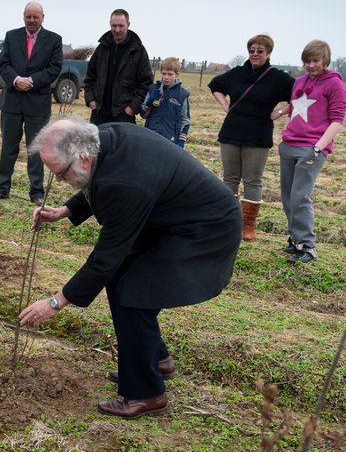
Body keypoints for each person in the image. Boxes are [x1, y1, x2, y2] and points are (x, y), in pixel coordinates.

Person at [18, 116, 241, 418]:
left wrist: (56, 302)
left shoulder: (125, 183)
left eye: (60, 173)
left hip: (203, 229)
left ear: (83, 155)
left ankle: (147, 394)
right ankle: (156, 360)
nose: (57, 180)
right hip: (170, 216)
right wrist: (67, 210)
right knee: (125, 284)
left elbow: (105, 258)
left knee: (134, 295)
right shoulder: (103, 138)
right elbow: (97, 177)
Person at [208, 34, 294, 241]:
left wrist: (280, 113)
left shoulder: (278, 78)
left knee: (252, 181)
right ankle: (227, 223)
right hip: (231, 132)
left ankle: (248, 226)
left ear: (269, 53)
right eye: (252, 50)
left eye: (260, 51)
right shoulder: (237, 73)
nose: (255, 54)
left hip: (258, 135)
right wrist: (225, 105)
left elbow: (300, 96)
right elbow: (215, 85)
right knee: (229, 179)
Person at [0, 2, 63, 207]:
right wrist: (16, 79)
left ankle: (36, 192)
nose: (32, 21)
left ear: (43, 17)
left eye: (36, 17)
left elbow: (54, 69)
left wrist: (32, 81)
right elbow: (4, 64)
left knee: (35, 148)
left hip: (37, 103)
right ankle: (2, 188)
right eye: (28, 16)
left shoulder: (54, 40)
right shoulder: (12, 36)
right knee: (8, 146)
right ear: (23, 17)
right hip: (12, 101)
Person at [278, 40, 346, 264]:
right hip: (289, 145)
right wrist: (283, 126)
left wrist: (318, 147)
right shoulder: (300, 82)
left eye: (315, 60)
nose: (311, 65)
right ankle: (295, 241)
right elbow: (294, 107)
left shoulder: (334, 84)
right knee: (288, 197)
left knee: (300, 197)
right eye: (307, 61)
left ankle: (307, 247)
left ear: (325, 60)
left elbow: (337, 120)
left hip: (311, 148)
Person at [84, 9, 153, 126]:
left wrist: (131, 108)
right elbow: (90, 78)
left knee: (122, 145)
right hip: (99, 113)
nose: (117, 30)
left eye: (121, 26)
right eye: (114, 26)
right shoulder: (101, 48)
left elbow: (145, 83)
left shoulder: (138, 51)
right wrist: (91, 101)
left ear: (128, 25)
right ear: (109, 24)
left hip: (124, 116)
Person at [140, 57, 191, 147]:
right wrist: (148, 103)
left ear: (177, 74)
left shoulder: (183, 94)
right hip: (150, 136)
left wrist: (181, 141)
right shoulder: (153, 89)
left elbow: (185, 120)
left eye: (170, 74)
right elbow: (143, 115)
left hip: (170, 140)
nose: (166, 77)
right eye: (164, 74)